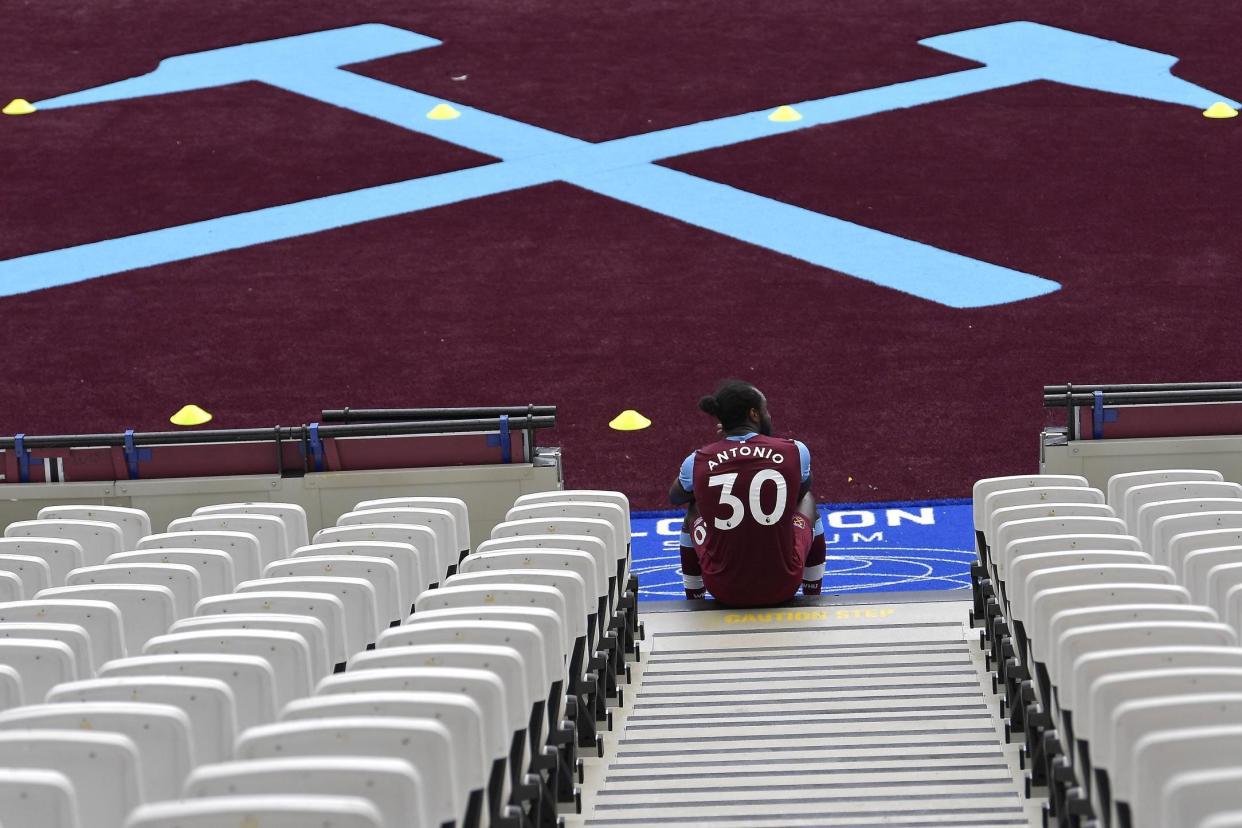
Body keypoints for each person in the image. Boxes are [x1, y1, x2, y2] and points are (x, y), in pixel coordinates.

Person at [669, 380, 827, 606]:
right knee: (807, 501)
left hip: (723, 589)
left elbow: (675, 496)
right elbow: (800, 489)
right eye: (766, 410)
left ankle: (694, 601)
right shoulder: (795, 451)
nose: (769, 416)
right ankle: (813, 597)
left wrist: (722, 450)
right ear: (754, 414)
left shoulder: (697, 460)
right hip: (783, 586)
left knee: (694, 505)